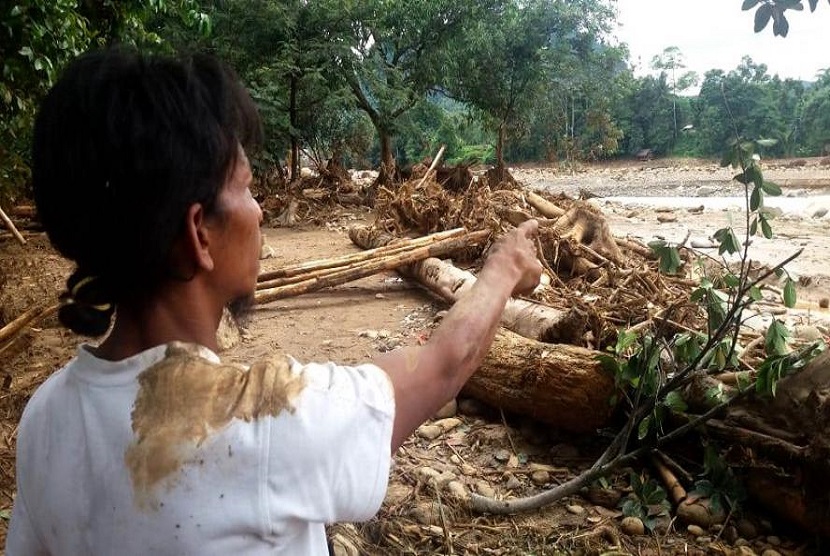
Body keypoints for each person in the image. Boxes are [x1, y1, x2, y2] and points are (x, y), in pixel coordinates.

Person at [5, 48, 542, 556]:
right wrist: (504, 266)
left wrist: (404, 357)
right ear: (199, 234)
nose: (259, 211)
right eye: (246, 187)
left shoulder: (45, 417)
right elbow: (444, 364)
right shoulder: (259, 428)